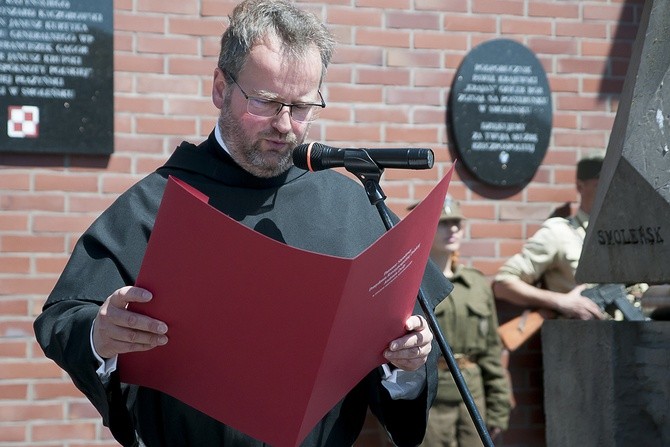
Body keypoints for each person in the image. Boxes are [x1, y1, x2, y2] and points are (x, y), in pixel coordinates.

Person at [32, 1, 453, 446]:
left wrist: (407, 363)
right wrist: (100, 333)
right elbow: (63, 317)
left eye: (302, 105)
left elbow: (404, 355)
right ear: (220, 87)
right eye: (266, 102)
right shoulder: (154, 204)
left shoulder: (351, 204)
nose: (285, 125)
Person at [412, 197, 511, 446]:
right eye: (443, 223)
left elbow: (490, 350)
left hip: (472, 396)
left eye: (456, 222)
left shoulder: (476, 283)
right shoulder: (411, 285)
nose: (453, 229)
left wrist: (498, 407)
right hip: (430, 398)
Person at [492, 156, 606, 319]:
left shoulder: (627, 234)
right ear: (580, 186)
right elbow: (503, 284)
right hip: (582, 337)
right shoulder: (559, 233)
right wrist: (561, 302)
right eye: (601, 183)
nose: (611, 190)